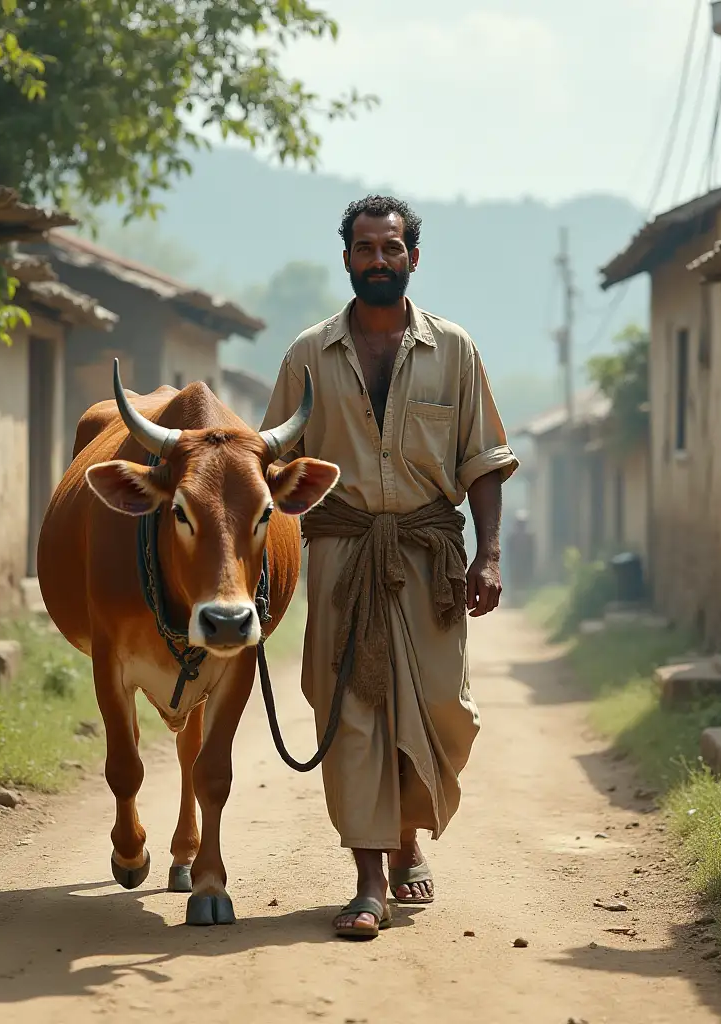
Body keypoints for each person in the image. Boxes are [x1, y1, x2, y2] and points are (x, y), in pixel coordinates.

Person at [260, 194, 519, 940]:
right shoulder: (309, 355)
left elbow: (484, 462)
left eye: (392, 248)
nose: (379, 260)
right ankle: (370, 878)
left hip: (428, 559)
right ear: (346, 259)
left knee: (442, 711)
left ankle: (409, 839)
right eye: (365, 248)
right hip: (341, 558)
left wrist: (489, 553)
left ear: (413, 257)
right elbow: (269, 463)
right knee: (353, 715)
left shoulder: (457, 350)